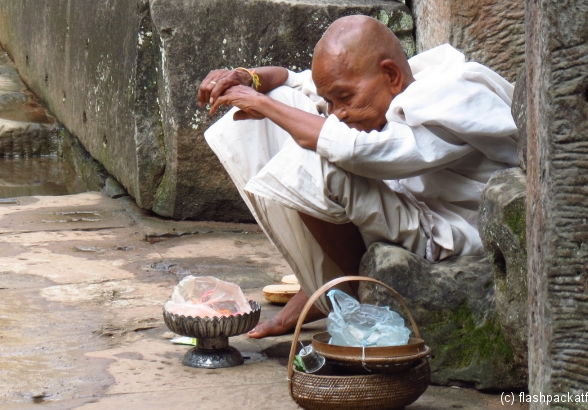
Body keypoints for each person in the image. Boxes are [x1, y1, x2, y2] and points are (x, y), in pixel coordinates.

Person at [198, 15, 517, 338]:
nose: (338, 112)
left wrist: (260, 103)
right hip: (405, 207)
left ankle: (357, 300)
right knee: (283, 102)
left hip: (444, 232)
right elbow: (289, 80)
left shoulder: (455, 95)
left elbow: (355, 150)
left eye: (345, 99)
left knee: (310, 159)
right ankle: (321, 285)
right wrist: (244, 79)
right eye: (331, 102)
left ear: (391, 75)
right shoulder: (401, 77)